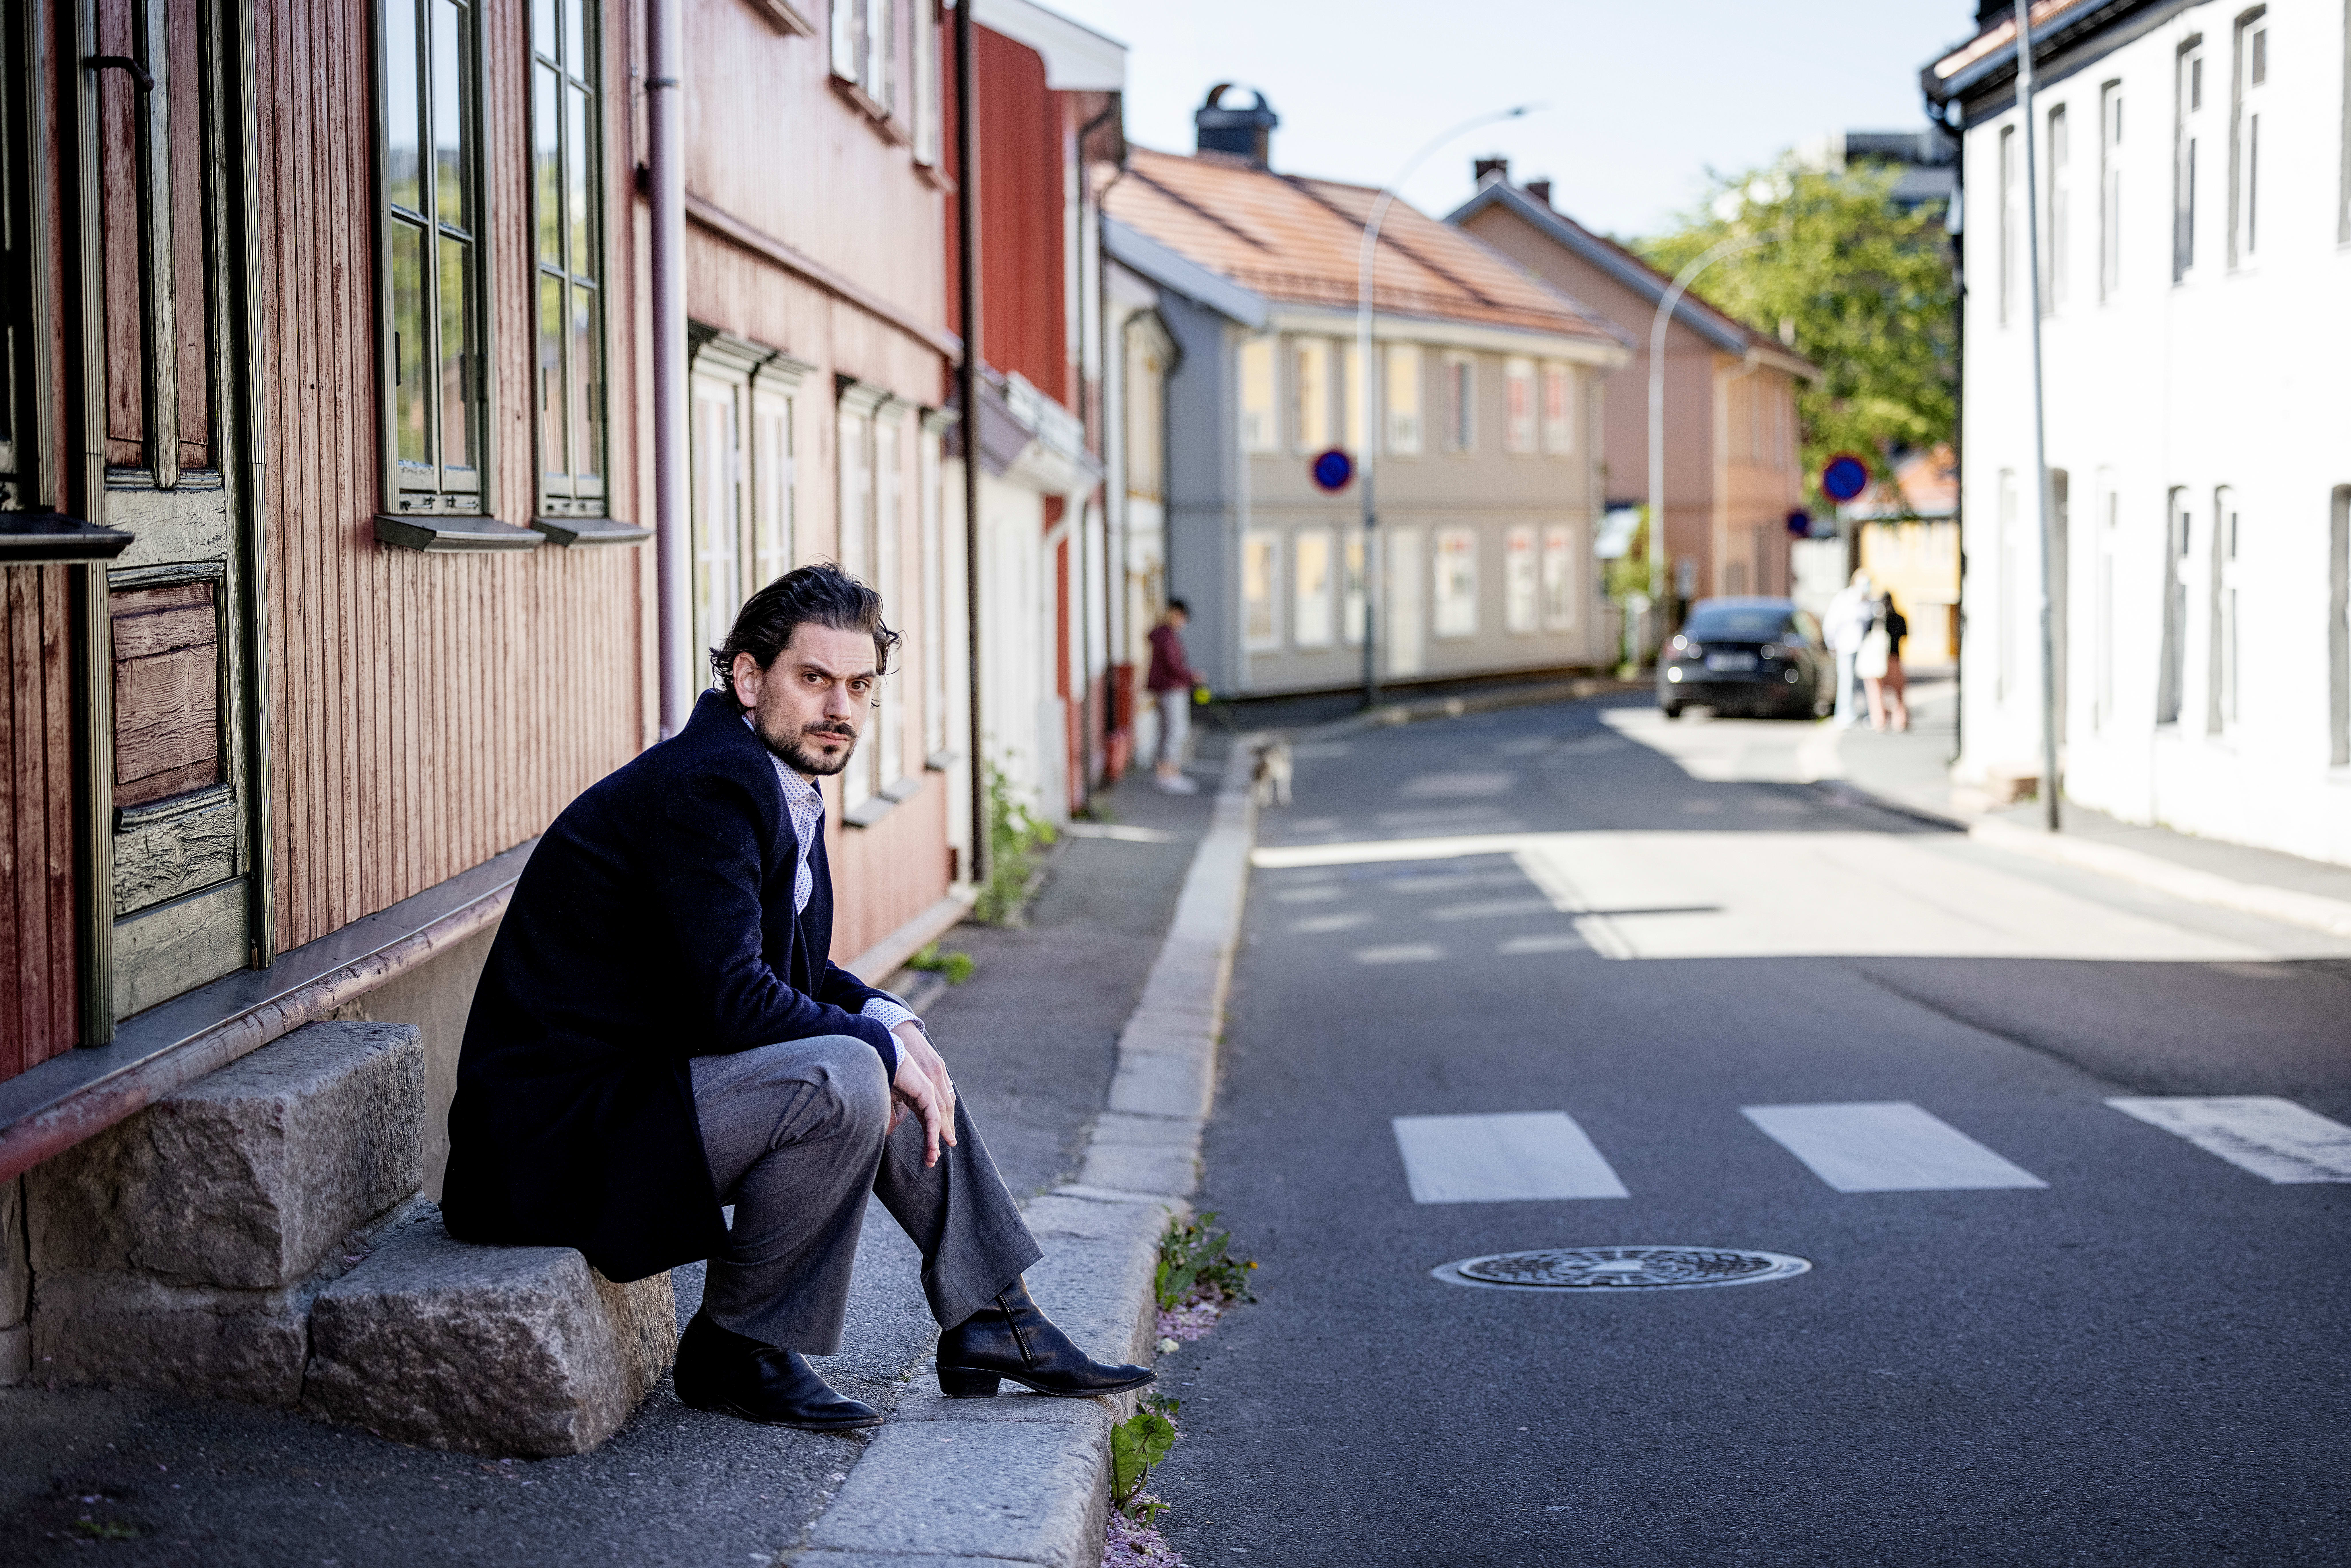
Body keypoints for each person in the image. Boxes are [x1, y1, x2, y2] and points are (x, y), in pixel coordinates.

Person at [442, 564, 1151, 1431]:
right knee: (845, 1075)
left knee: (890, 1049)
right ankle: (739, 1348)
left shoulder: (773, 780)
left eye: (859, 685)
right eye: (814, 678)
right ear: (750, 678)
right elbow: (736, 1002)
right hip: (552, 1144)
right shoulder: (709, 787)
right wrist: (876, 1048)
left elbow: (792, 973)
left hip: (639, 1098)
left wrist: (894, 1022)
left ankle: (996, 1316)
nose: (839, 707)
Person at [1144, 598, 1202, 795]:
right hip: (1172, 689)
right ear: (1174, 614)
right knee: (1176, 732)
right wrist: (1192, 676)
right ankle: (1169, 775)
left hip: (1168, 688)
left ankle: (1165, 773)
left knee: (1167, 731)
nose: (1183, 622)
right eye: (1182, 617)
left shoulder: (1164, 635)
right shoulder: (1167, 636)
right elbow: (1173, 666)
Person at [1822, 569, 1875, 729]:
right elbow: (1831, 624)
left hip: (1865, 649)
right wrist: (1832, 644)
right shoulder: (1844, 599)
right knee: (1847, 681)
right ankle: (1845, 714)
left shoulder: (1870, 602)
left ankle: (1870, 714)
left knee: (1867, 682)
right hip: (1846, 647)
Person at [1866, 592, 1911, 732]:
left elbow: (1866, 636)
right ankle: (1900, 721)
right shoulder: (1899, 618)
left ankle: (1879, 721)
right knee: (1898, 692)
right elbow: (1905, 635)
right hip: (1895, 658)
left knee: (1876, 691)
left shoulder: (1876, 620)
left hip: (1878, 661)